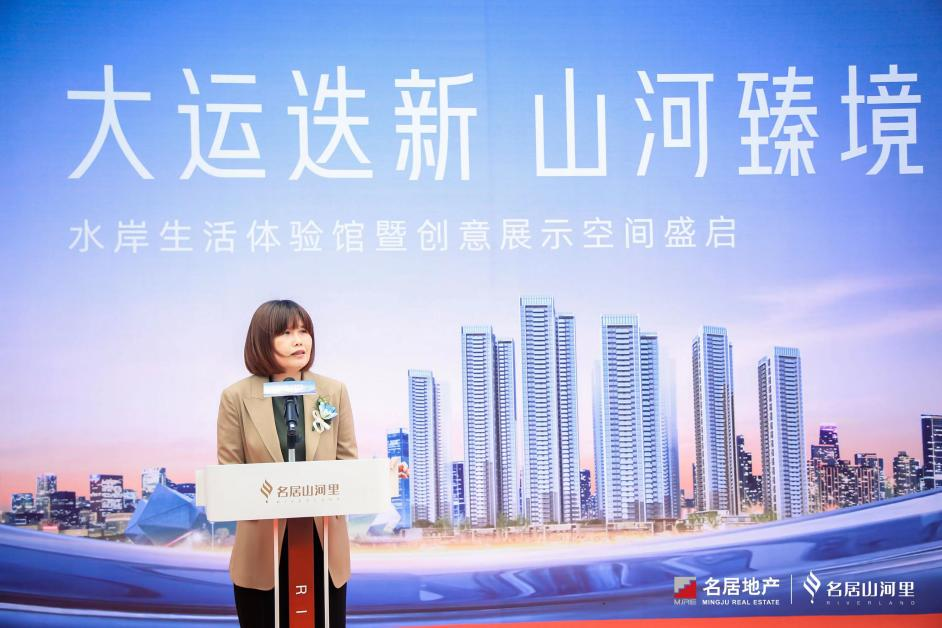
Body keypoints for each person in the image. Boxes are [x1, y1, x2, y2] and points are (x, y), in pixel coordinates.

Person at [217, 299, 357, 627]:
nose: (299, 341)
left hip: (323, 544)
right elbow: (230, 474)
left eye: (304, 331)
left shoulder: (332, 392)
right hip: (263, 548)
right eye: (286, 333)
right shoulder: (235, 397)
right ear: (261, 340)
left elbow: (348, 463)